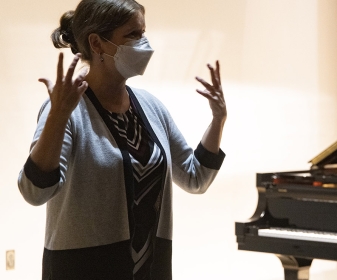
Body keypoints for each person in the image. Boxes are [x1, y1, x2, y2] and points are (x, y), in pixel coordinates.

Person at [17, 0, 226, 278]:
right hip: (85, 269)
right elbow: (34, 191)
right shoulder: (68, 108)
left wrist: (218, 120)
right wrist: (58, 115)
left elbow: (195, 177)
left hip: (149, 269)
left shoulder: (152, 107)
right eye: (133, 35)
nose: (145, 43)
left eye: (143, 32)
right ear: (97, 43)